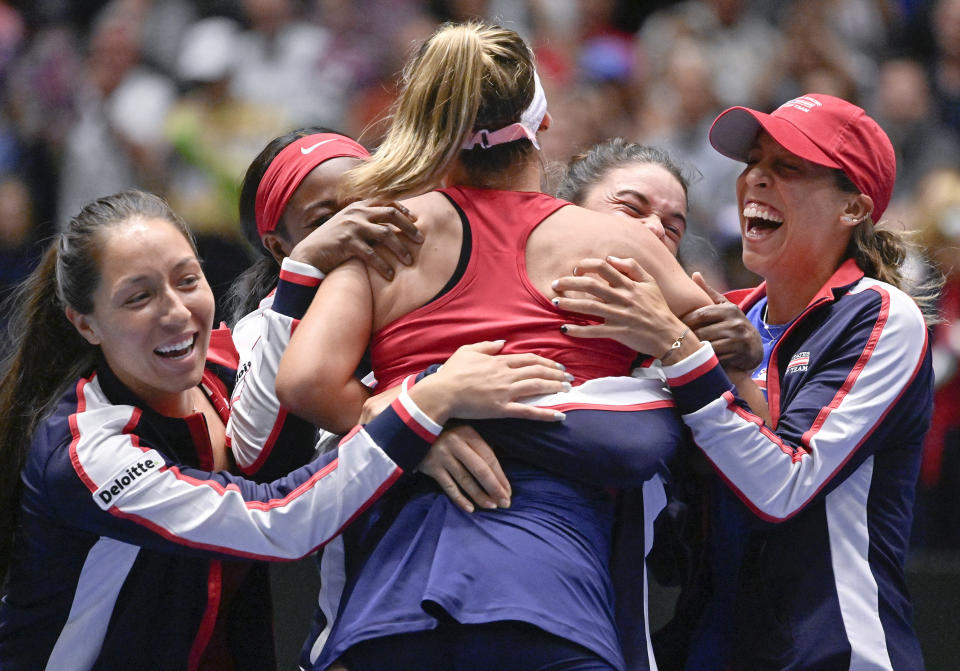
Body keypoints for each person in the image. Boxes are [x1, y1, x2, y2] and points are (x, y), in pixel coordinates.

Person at [275, 21, 715, 671]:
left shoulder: (389, 233)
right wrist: (680, 338)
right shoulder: (618, 244)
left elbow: (305, 380)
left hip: (394, 601)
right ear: (537, 121)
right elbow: (740, 387)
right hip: (555, 598)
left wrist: (413, 417)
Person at [0, 189, 573, 670]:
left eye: (187, 279)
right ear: (85, 323)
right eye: (138, 297)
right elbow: (281, 520)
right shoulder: (85, 450)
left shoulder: (221, 363)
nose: (176, 311)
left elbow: (279, 382)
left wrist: (306, 266)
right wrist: (426, 406)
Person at [552, 93, 936, 670]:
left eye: (788, 168)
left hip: (830, 650)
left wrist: (681, 349)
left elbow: (783, 486)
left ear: (853, 208)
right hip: (710, 645)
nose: (755, 179)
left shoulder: (878, 314)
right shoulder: (725, 315)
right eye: (754, 162)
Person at [223, 127, 422, 480]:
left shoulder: (431, 271)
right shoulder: (262, 324)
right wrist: (301, 273)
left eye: (364, 203)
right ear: (281, 248)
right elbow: (257, 459)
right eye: (324, 221)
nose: (354, 227)